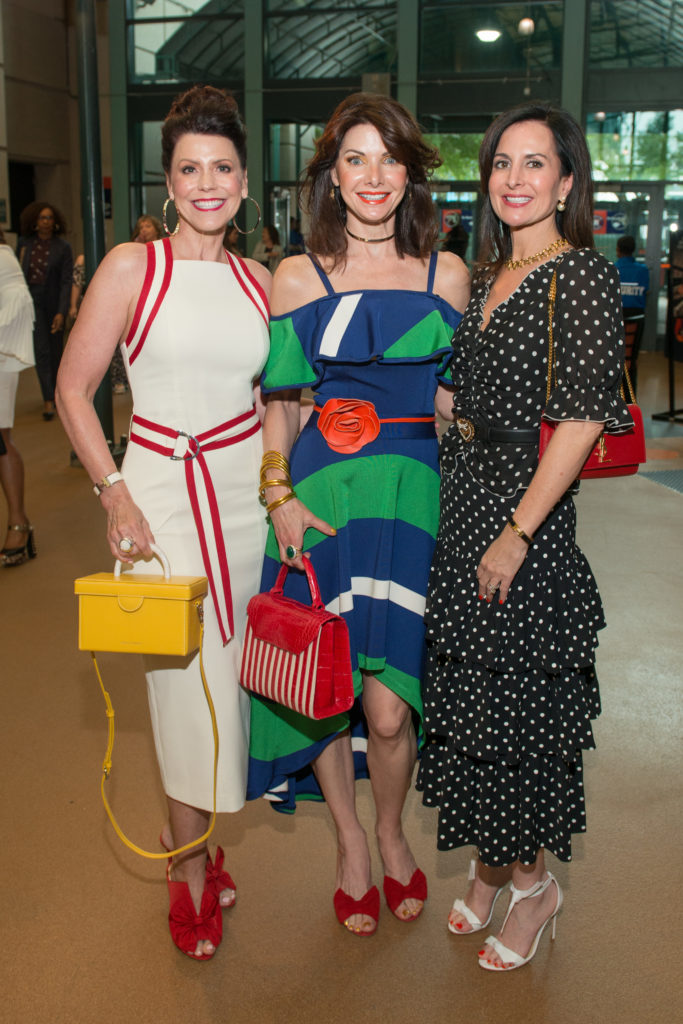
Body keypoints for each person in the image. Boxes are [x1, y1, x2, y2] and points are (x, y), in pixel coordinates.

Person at [416, 102, 634, 972]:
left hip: (520, 517)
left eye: (533, 163)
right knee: (469, 707)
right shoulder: (490, 270)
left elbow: (580, 423)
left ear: (567, 181)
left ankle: (535, 888)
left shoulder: (574, 276)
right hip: (464, 501)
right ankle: (489, 865)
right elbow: (464, 388)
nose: (513, 177)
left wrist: (513, 534)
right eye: (501, 162)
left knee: (514, 717)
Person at [56, 85, 271, 961]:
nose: (207, 183)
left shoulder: (261, 281)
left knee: (234, 692)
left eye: (222, 167)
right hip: (158, 506)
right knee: (183, 702)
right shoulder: (127, 267)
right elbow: (73, 388)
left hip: (245, 509)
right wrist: (112, 489)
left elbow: (270, 400)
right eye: (190, 168)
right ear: (168, 182)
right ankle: (187, 876)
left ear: (246, 180)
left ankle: (208, 844)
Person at [247, 92, 470, 937]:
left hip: (413, 503)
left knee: (388, 707)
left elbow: (447, 395)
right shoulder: (298, 274)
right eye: (354, 159)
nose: (372, 175)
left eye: (387, 159)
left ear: (408, 171)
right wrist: (279, 494)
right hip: (323, 500)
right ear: (331, 178)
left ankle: (389, 828)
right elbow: (284, 400)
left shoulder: (442, 272)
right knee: (325, 694)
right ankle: (348, 841)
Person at [0, 228, 36, 566]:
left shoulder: (3, 258)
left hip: (1, 359)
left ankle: (18, 521)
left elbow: (19, 303)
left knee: (0, 439)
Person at [17, 201, 73, 420]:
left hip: (54, 300)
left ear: (55, 221)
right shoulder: (24, 245)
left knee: (56, 350)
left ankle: (59, 394)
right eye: (41, 218)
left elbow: (66, 281)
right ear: (34, 222)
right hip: (33, 302)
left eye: (49, 218)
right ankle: (48, 399)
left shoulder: (63, 247)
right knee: (41, 351)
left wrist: (62, 310)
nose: (45, 222)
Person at [615, 234, 649, 317]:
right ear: (633, 250)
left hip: (616, 314)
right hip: (637, 315)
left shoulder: (612, 268)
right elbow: (646, 291)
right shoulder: (643, 270)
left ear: (618, 249)